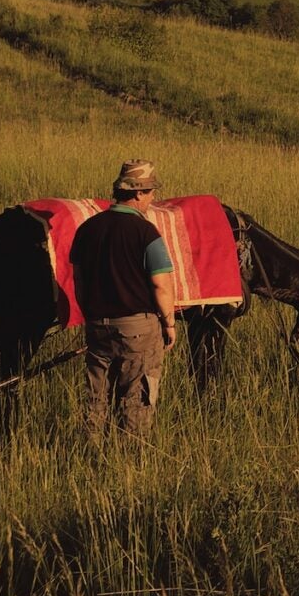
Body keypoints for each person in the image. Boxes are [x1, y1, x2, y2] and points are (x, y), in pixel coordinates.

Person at [68, 158, 180, 436]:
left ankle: (90, 455)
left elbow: (79, 280)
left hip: (97, 327)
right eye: (151, 191)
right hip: (138, 331)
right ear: (138, 192)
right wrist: (169, 324)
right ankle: (131, 459)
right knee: (136, 399)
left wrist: (90, 314)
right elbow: (161, 286)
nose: (153, 198)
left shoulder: (87, 229)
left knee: (95, 399)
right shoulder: (145, 233)